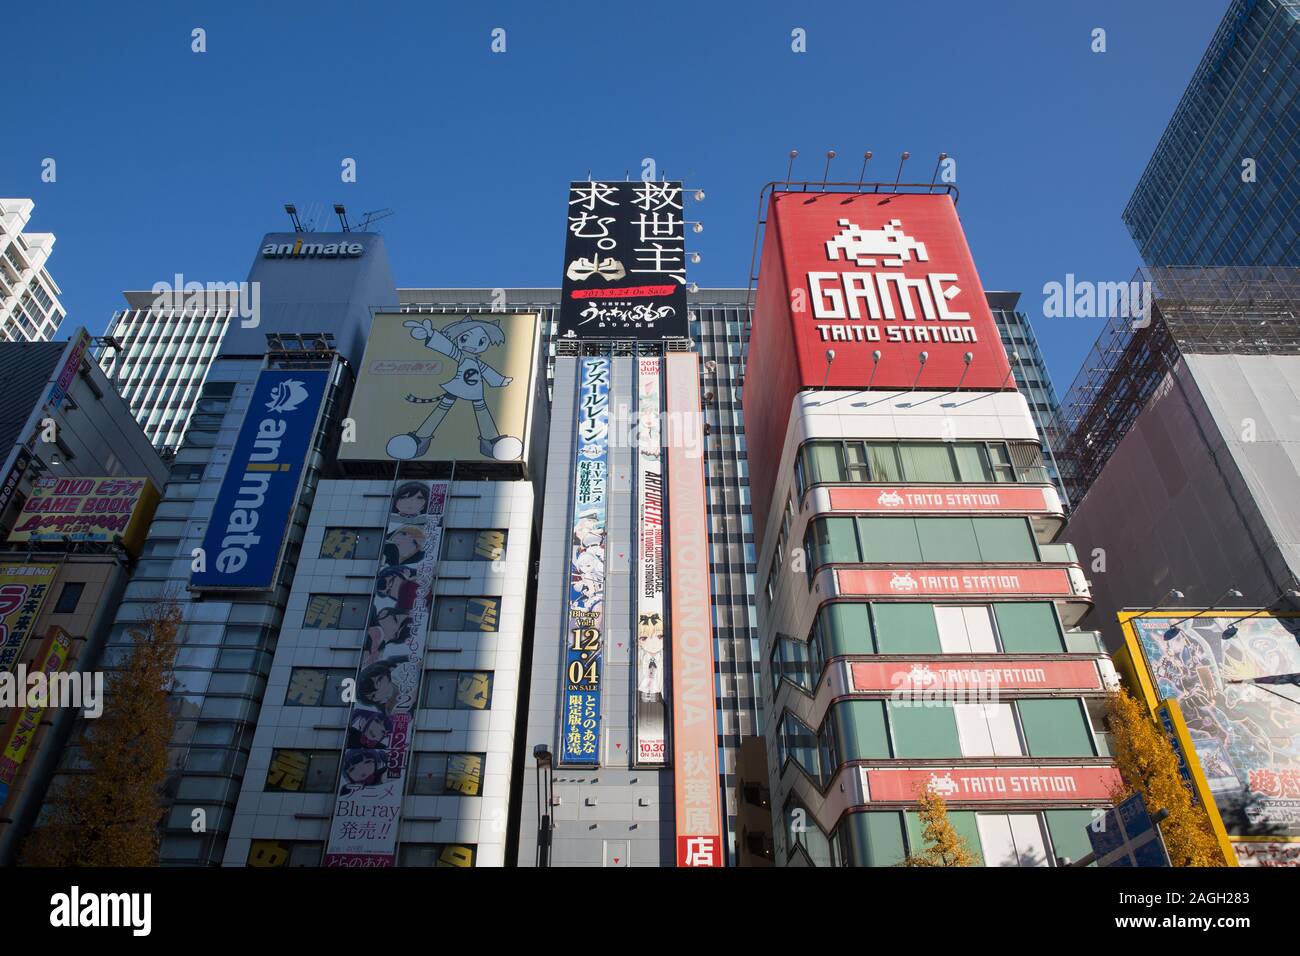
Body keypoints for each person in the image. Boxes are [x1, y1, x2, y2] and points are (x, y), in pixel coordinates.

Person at [386, 317, 522, 462]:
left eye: (481, 341)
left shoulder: (477, 363)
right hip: (457, 386)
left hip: (474, 390)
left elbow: (488, 372)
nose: (472, 345)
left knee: (482, 414)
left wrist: (501, 380)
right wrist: (430, 334)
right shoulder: (460, 356)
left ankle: (491, 442)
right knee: (441, 410)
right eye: (464, 338)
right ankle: (419, 439)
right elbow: (447, 347)